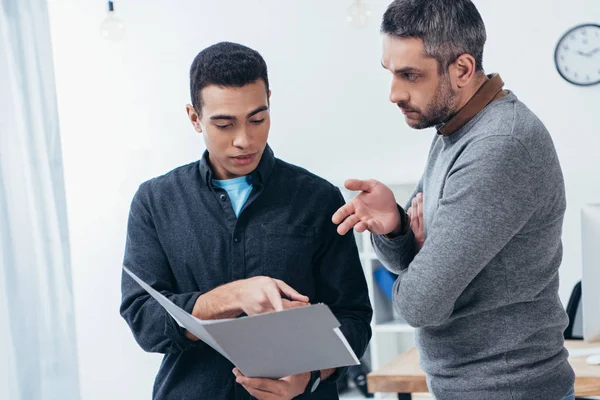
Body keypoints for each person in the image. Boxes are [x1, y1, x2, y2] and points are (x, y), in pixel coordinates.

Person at [332, 1, 575, 399]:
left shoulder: (499, 144)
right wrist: (396, 226)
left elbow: (419, 306)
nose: (394, 93)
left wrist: (423, 262)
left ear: (461, 69)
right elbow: (411, 265)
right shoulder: (454, 129)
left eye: (410, 75)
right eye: (391, 73)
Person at [120, 41, 372, 400]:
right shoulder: (155, 202)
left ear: (269, 101)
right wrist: (232, 297)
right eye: (224, 124)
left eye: (258, 119)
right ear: (194, 118)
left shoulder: (318, 199)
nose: (244, 140)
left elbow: (354, 318)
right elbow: (144, 321)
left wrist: (311, 375)